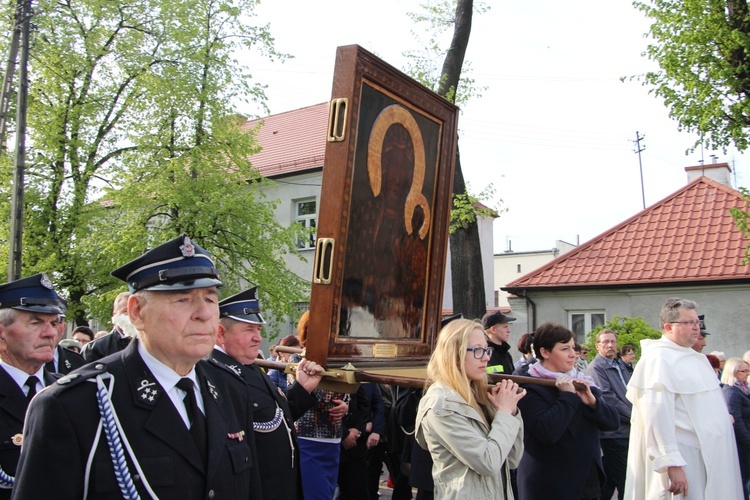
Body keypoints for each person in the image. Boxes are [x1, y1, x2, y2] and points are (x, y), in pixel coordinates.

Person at [13, 234, 262, 499]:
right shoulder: (75, 404)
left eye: (210, 299)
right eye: (183, 299)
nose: (203, 313)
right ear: (137, 312)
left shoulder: (231, 388)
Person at [625, 297, 743, 499]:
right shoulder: (659, 359)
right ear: (669, 327)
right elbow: (656, 415)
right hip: (686, 455)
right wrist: (671, 463)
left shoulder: (695, 358)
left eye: (697, 322)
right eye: (689, 323)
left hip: (711, 453)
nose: (697, 328)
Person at [210, 287, 321, 500]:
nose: (258, 338)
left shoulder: (248, 366)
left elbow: (276, 418)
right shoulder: (214, 373)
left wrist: (303, 387)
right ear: (220, 333)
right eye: (249, 330)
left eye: (259, 330)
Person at [415, 318, 525, 499]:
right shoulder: (441, 405)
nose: (487, 357)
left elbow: (511, 460)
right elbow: (488, 463)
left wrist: (511, 412)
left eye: (486, 349)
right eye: (478, 350)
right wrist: (505, 413)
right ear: (454, 354)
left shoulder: (480, 397)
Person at [516, 322, 619, 500]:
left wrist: (594, 403)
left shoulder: (581, 382)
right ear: (545, 352)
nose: (573, 355)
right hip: (549, 486)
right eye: (565, 349)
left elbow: (612, 423)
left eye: (573, 347)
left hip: (586, 483)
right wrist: (568, 397)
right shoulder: (528, 387)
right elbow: (547, 431)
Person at [0, 273, 66, 498]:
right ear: (1, 334)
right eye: (35, 322)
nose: (50, 333)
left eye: (54, 323)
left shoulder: (71, 390)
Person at [294, 310, 350, 500]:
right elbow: (292, 398)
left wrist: (345, 406)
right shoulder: (297, 361)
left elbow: (348, 393)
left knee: (327, 493)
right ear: (308, 333)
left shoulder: (340, 361)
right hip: (307, 439)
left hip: (332, 439)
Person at [585, 329, 632, 500]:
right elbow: (608, 398)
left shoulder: (619, 365)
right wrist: (635, 415)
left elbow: (631, 392)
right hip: (613, 434)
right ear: (597, 346)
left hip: (627, 431)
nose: (610, 345)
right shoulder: (596, 368)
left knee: (610, 482)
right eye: (605, 342)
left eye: (613, 341)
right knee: (625, 482)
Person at [721, 357, 750, 499]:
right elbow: (736, 419)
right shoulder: (731, 391)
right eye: (744, 371)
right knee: (743, 479)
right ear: (733, 372)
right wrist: (748, 441)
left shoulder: (744, 389)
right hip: (742, 443)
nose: (747, 374)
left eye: (748, 371)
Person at [81, 291, 134, 362]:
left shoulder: (149, 344)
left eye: (135, 310)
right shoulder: (94, 348)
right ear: (115, 315)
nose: (132, 315)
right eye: (126, 311)